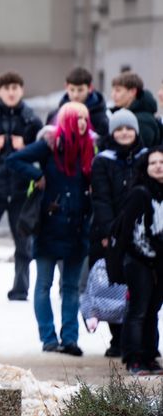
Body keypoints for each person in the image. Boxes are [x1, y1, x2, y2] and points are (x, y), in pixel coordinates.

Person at [6, 102, 94, 356]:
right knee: (44, 283)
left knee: (70, 286)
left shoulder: (89, 147)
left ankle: (70, 339)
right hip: (48, 226)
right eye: (76, 117)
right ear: (65, 120)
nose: (80, 122)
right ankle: (48, 338)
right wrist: (36, 175)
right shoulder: (50, 144)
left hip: (77, 227)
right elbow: (14, 159)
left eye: (84, 118)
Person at [0, 70, 43, 299]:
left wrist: (27, 148)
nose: (11, 92)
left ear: (21, 90)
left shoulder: (32, 121)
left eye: (15, 88)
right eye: (6, 88)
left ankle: (20, 290)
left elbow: (43, 156)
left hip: (22, 190)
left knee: (24, 243)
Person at [89, 109, 145, 359]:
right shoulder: (103, 160)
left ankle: (139, 340)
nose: (124, 133)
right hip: (112, 232)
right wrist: (108, 231)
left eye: (128, 128)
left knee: (141, 287)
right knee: (115, 286)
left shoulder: (146, 157)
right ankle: (117, 338)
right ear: (112, 132)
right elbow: (101, 199)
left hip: (142, 233)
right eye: (119, 129)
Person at [111, 146, 163, 375]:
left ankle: (150, 355)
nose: (158, 166)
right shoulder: (139, 193)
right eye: (153, 163)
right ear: (146, 167)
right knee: (138, 309)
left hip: (160, 262)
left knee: (153, 310)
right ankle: (133, 358)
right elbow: (127, 233)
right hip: (138, 259)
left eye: (162, 162)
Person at [45, 66, 108, 138]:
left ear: (90, 88)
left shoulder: (100, 119)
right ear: (66, 87)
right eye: (72, 89)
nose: (75, 95)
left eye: (80, 90)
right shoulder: (54, 115)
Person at [110, 71, 160, 147]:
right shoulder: (123, 114)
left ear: (132, 92)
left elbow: (141, 153)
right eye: (113, 90)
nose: (113, 95)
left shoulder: (143, 120)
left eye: (118, 90)